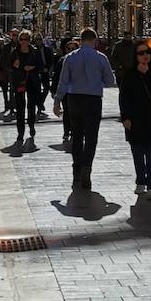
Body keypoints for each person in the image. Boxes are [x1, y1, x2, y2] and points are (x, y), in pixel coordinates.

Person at [54, 27, 116, 189]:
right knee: (91, 137)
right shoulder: (101, 58)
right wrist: (97, 82)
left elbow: (63, 81)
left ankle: (76, 170)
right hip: (93, 100)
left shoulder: (70, 58)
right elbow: (110, 81)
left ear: (80, 41)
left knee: (77, 136)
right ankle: (87, 169)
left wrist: (57, 101)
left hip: (74, 99)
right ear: (94, 41)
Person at [119, 39, 151, 198]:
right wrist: (125, 117)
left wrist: (147, 74)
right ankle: (141, 181)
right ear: (135, 56)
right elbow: (124, 97)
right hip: (134, 120)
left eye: (147, 52)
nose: (145, 55)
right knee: (138, 154)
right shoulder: (129, 73)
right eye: (141, 53)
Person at [10, 30, 41, 146]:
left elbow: (40, 66)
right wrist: (15, 65)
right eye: (21, 39)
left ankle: (31, 126)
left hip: (32, 81)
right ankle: (20, 133)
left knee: (31, 106)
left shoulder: (34, 51)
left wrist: (32, 68)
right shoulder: (15, 52)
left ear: (29, 40)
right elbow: (9, 65)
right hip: (20, 81)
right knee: (20, 107)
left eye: (25, 39)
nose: (23, 42)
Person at [51, 37, 73, 144]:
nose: (71, 50)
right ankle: (66, 131)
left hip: (76, 92)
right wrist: (54, 91)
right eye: (69, 48)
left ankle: (74, 131)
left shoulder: (80, 61)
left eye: (73, 48)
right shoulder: (62, 60)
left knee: (74, 112)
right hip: (65, 91)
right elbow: (57, 77)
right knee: (67, 112)